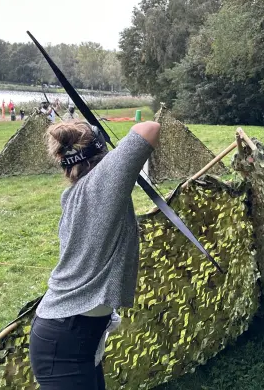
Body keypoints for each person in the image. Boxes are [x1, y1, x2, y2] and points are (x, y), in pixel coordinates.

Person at [29, 120, 160, 389]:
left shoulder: (77, 193)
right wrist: (112, 151)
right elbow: (149, 128)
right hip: (66, 341)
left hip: (72, 334)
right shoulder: (104, 181)